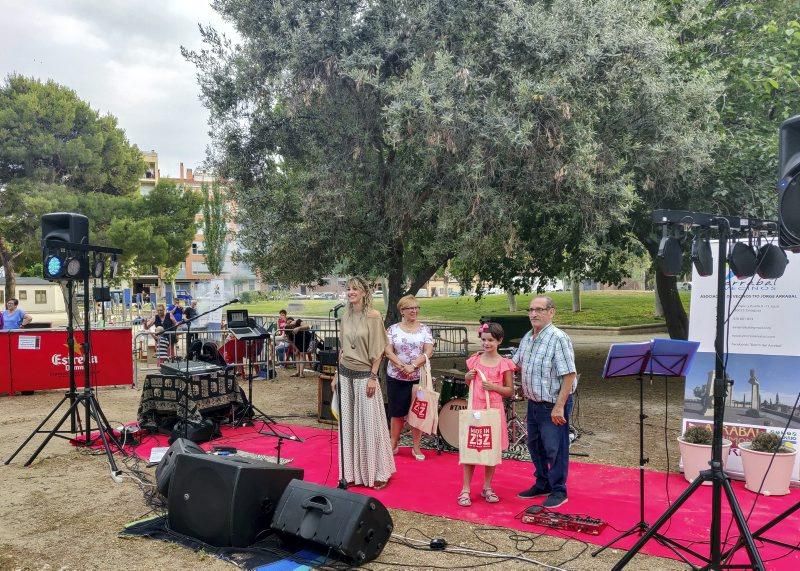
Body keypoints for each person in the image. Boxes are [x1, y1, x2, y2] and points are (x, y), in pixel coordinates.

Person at [513, 296, 577, 509]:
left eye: (539, 309)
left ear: (551, 312)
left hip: (553, 404)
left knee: (555, 448)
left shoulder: (558, 338)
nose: (533, 314)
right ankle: (543, 483)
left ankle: (559, 490)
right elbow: (515, 363)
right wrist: (487, 360)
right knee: (535, 446)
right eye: (531, 310)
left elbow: (569, 374)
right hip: (534, 403)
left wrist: (560, 406)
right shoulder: (528, 337)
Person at [332, 277, 395, 489]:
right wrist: (335, 376)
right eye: (348, 289)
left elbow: (379, 351)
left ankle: (379, 471)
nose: (350, 292)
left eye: (354, 289)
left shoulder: (374, 316)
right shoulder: (345, 316)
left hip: (364, 376)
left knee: (370, 425)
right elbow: (343, 349)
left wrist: (373, 377)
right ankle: (350, 472)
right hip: (345, 373)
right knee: (348, 425)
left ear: (364, 292)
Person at [458, 322, 514, 506]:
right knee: (470, 449)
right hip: (475, 409)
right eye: (483, 340)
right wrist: (467, 378)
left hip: (493, 411)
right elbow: (471, 384)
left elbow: (509, 391)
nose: (486, 343)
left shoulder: (504, 364)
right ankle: (465, 488)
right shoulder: (474, 360)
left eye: (490, 340)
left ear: (499, 341)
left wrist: (494, 387)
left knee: (490, 451)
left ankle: (487, 487)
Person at [384, 294, 434, 460]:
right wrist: (401, 366)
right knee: (396, 413)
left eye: (416, 308)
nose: (414, 311)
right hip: (396, 377)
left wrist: (413, 366)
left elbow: (428, 351)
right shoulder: (392, 329)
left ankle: (416, 447)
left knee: (417, 413)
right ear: (402, 311)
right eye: (410, 308)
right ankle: (394, 443)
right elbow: (387, 350)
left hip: (418, 378)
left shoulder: (425, 329)